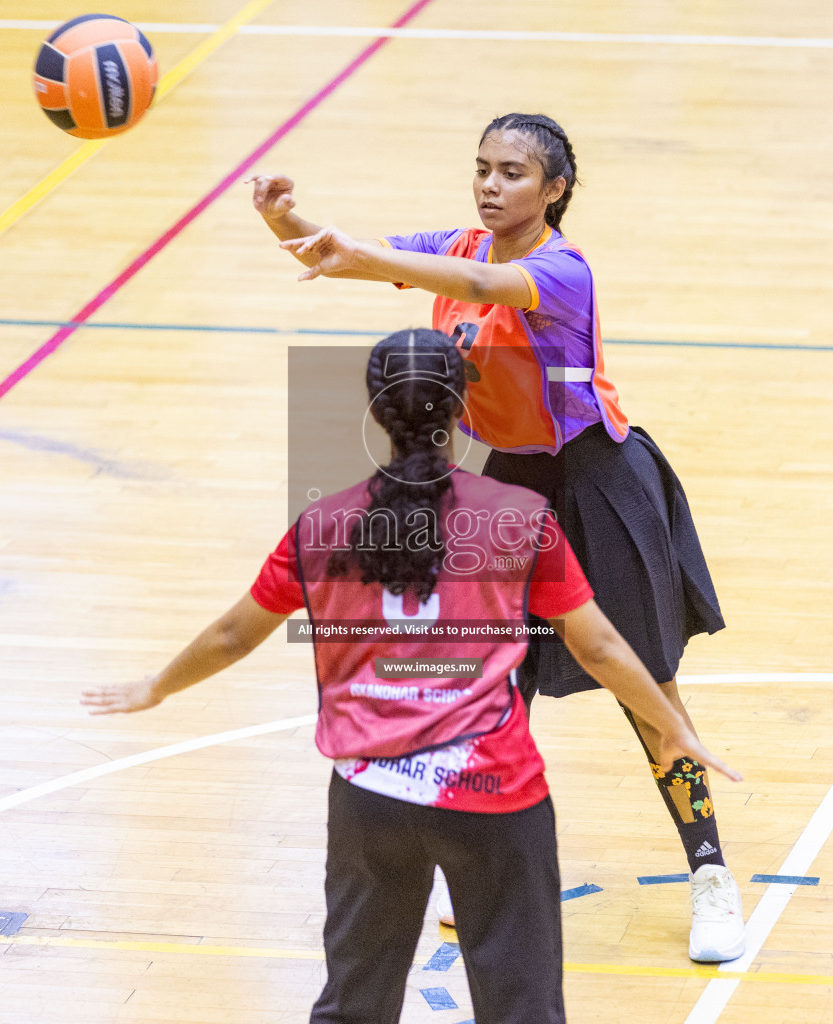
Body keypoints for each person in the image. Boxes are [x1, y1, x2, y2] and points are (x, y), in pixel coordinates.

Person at [82, 330, 740, 1024]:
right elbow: (602, 648)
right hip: (491, 797)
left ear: (376, 415)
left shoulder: (322, 524)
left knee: (353, 1007)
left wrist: (156, 685)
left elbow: (230, 635)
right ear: (463, 411)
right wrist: (673, 728)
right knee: (521, 1010)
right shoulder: (517, 519)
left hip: (370, 798)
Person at [248, 113, 747, 962]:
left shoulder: (561, 270)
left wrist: (358, 258)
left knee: (645, 687)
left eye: (512, 173)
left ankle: (711, 876)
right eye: (482, 168)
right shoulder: (460, 246)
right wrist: (285, 221)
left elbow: (459, 286)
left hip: (599, 484)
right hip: (509, 488)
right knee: (489, 681)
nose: (489, 185)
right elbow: (354, 248)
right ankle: (485, 868)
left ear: (553, 189)